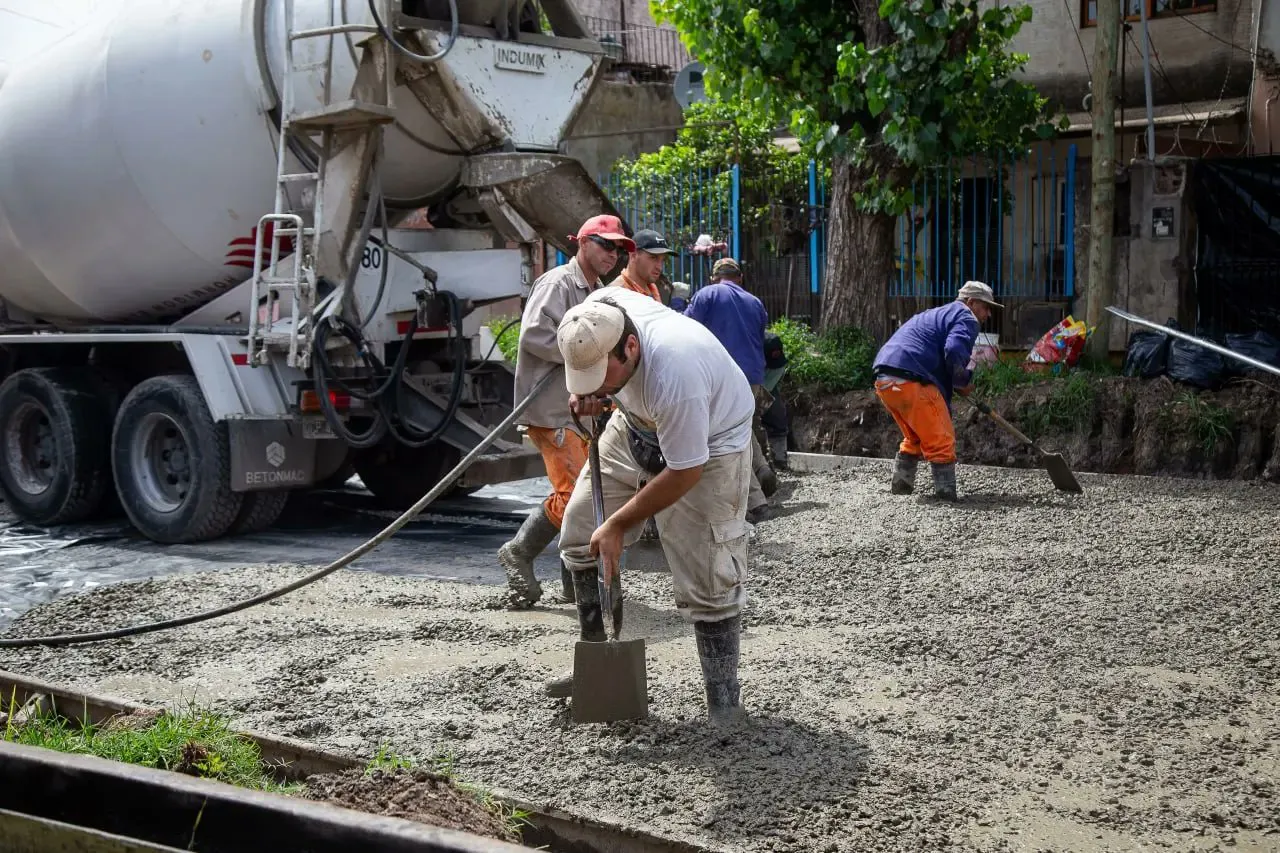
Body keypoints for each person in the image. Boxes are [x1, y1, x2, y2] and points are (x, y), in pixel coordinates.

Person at [546, 287, 756, 721]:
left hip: (712, 446)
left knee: (710, 577)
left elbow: (686, 470)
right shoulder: (595, 316)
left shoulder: (676, 371)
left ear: (632, 346)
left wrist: (619, 524)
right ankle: (598, 669)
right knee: (581, 533)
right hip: (637, 425)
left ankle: (724, 705)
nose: (599, 387)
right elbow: (601, 376)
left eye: (605, 377)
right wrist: (594, 395)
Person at [498, 215, 636, 609]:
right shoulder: (559, 283)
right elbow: (534, 335)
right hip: (553, 409)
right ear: (582, 243)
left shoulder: (596, 291)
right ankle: (519, 552)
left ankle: (575, 584)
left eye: (618, 249)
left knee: (585, 496)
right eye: (605, 245)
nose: (613, 255)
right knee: (574, 495)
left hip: (581, 412)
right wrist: (582, 352)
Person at [871, 280, 1002, 501]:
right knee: (941, 438)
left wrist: (954, 380)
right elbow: (953, 350)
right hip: (912, 377)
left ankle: (901, 490)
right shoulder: (966, 317)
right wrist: (961, 380)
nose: (988, 314)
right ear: (970, 302)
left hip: (885, 378)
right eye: (985, 307)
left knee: (915, 436)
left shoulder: (937, 314)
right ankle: (945, 496)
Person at [683, 257, 777, 522]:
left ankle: (756, 501)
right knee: (741, 428)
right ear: (740, 277)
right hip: (753, 377)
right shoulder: (755, 302)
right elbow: (761, 337)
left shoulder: (707, 295)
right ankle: (760, 467)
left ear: (714, 277)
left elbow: (686, 328)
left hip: (722, 377)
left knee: (726, 436)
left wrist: (678, 305)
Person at [611, 229, 672, 301]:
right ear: (633, 255)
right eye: (653, 257)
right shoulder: (616, 293)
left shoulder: (651, 287)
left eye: (662, 260)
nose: (659, 267)